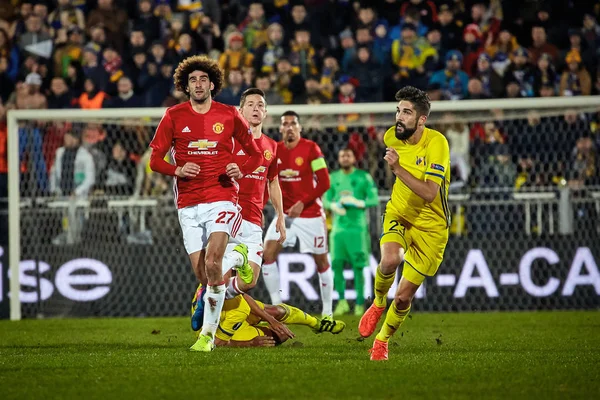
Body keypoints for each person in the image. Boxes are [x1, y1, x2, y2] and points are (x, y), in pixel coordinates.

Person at [149, 55, 263, 352]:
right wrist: (177, 169)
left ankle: (207, 337)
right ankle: (239, 256)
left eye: (203, 79)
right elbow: (154, 160)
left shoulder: (228, 115)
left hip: (222, 195)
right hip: (188, 202)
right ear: (185, 87)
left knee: (214, 262)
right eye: (192, 81)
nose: (198, 84)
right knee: (204, 275)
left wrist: (241, 168)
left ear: (212, 84)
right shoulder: (173, 116)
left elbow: (254, 155)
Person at [358, 86, 450, 361]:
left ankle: (382, 340)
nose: (399, 117)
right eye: (398, 110)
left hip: (432, 226)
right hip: (399, 212)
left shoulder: (437, 143)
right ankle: (376, 303)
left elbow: (430, 192)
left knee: (402, 298)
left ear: (421, 119)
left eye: (407, 112)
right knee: (389, 261)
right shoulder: (392, 137)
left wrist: (398, 169)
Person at [261, 111, 333, 317]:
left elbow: (325, 182)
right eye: (286, 124)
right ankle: (278, 307)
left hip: (310, 214)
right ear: (281, 128)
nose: (290, 127)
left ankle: (327, 312)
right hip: (286, 216)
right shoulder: (275, 150)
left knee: (321, 261)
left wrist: (303, 203)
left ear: (299, 127)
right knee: (267, 254)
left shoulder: (312, 149)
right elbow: (268, 181)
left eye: (293, 123)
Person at [223, 88, 286, 296]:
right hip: (226, 217)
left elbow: (273, 181)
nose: (255, 109)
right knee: (221, 277)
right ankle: (214, 323)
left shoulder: (272, 146)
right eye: (250, 105)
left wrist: (280, 215)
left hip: (253, 219)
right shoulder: (229, 142)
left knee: (248, 282)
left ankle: (207, 295)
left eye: (260, 105)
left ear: (266, 113)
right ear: (241, 111)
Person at [323, 148, 379, 317]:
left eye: (348, 155)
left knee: (358, 268)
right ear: (339, 159)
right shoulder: (333, 178)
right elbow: (325, 199)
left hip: (357, 230)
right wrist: (332, 206)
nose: (345, 158)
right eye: (342, 155)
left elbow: (374, 199)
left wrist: (358, 202)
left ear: (354, 158)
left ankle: (360, 304)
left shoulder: (363, 177)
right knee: (337, 266)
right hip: (338, 230)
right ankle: (342, 302)